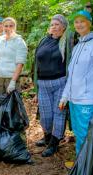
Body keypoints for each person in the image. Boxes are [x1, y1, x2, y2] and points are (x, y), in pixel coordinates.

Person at [59, 10, 93, 155]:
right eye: (76, 22)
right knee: (79, 135)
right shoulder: (77, 47)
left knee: (88, 137)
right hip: (74, 100)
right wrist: (65, 96)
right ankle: (81, 165)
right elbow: (72, 76)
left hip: (88, 100)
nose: (79, 24)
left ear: (90, 23)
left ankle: (89, 168)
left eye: (82, 21)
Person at [33, 14, 72, 157]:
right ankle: (47, 137)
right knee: (45, 115)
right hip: (42, 84)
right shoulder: (44, 40)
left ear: (63, 27)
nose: (54, 27)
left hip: (60, 83)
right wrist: (35, 88)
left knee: (59, 113)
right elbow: (36, 64)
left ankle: (55, 143)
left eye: (57, 24)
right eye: (52, 24)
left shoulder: (67, 41)